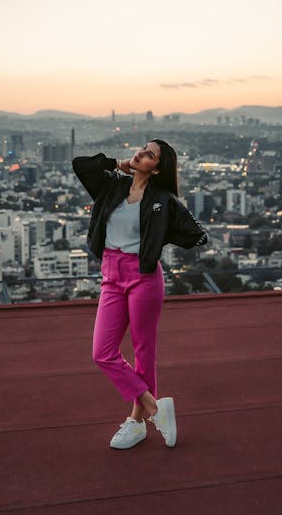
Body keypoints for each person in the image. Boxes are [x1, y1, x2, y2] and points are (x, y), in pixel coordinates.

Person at [72, 139, 208, 449]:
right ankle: (157, 409)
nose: (140, 154)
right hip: (111, 275)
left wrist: (157, 235)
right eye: (142, 148)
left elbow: (197, 235)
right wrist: (117, 163)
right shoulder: (111, 186)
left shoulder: (163, 199)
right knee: (102, 353)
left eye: (149, 155)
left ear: (157, 168)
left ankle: (136, 422)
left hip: (143, 276)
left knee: (143, 351)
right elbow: (81, 165)